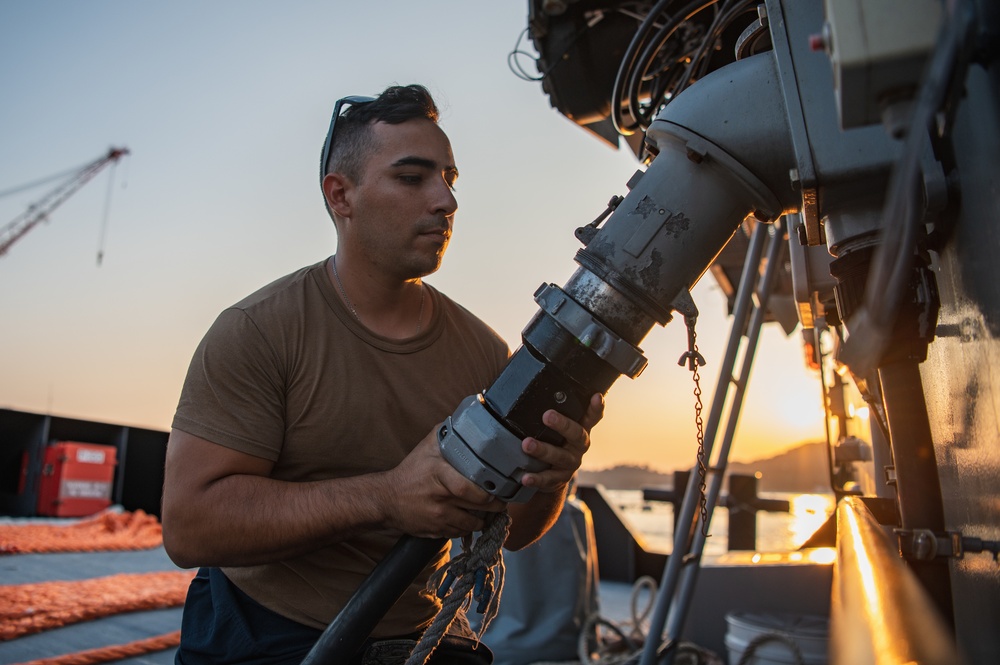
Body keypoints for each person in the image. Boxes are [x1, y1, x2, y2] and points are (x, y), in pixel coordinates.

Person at [160, 83, 604, 665]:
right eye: (413, 177)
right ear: (340, 195)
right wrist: (385, 499)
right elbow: (190, 527)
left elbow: (516, 532)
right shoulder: (259, 330)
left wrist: (553, 475)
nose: (446, 200)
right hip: (265, 633)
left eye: (450, 178)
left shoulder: (485, 355)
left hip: (420, 638)